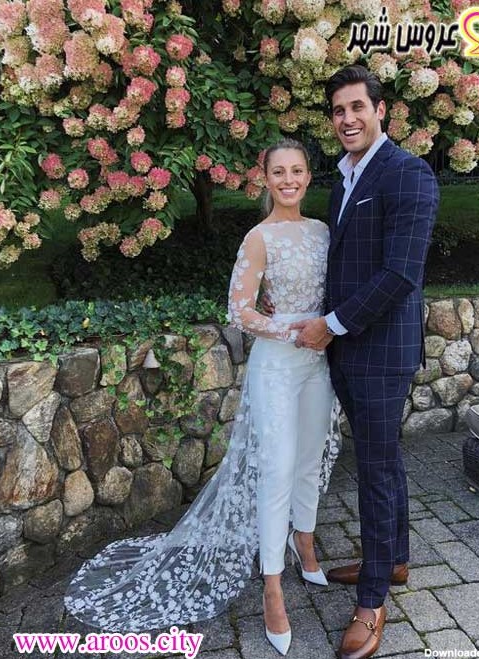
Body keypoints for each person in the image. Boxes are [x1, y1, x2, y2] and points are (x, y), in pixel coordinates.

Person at [65, 138, 340, 657]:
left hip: (318, 364)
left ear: (308, 176)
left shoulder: (323, 231)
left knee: (308, 459)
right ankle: (272, 586)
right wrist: (293, 329)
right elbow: (240, 312)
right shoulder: (258, 238)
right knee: (277, 468)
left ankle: (304, 541)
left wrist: (323, 327)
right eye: (279, 172)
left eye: (297, 170)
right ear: (265, 179)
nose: (288, 180)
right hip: (278, 366)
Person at [267, 65, 439, 659]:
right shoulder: (344, 179)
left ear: (380, 110)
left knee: (375, 471)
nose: (347, 119)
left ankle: (371, 602)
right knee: (383, 462)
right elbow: (342, 265)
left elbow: (400, 273)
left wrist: (331, 325)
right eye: (338, 110)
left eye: (357, 107)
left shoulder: (408, 173)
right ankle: (394, 561)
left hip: (381, 352)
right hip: (346, 348)